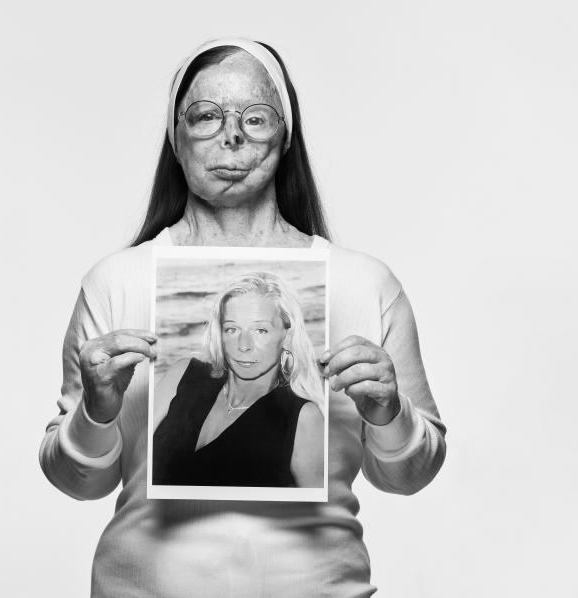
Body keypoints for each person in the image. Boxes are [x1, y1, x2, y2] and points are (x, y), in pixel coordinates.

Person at [39, 38, 447, 597]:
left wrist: (390, 413)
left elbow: (410, 476)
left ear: (286, 136)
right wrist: (96, 410)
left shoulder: (363, 283)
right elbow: (77, 482)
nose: (231, 136)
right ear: (174, 137)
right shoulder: (116, 282)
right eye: (206, 116)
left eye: (254, 118)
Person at [151, 271, 325, 488]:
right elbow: (136, 460)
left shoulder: (302, 418)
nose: (243, 345)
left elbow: (314, 513)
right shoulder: (182, 374)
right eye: (232, 329)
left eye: (260, 330)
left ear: (287, 336)